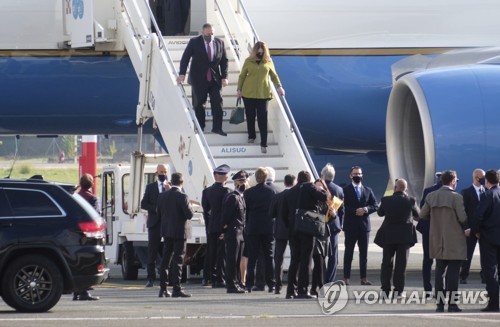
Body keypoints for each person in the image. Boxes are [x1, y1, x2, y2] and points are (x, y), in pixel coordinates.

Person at [420, 170, 467, 312]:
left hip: (437, 238)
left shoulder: (431, 195)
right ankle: (452, 304)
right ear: (452, 181)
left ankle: (439, 304)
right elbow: (463, 218)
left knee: (439, 272)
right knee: (453, 273)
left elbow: (422, 214)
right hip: (454, 239)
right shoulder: (456, 197)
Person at [177, 23, 228, 136]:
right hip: (198, 79)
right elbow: (185, 58)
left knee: (217, 103)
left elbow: (224, 61)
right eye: (208, 33)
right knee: (199, 104)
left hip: (215, 79)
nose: (211, 35)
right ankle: (200, 127)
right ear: (203, 32)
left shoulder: (220, 43)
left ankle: (217, 128)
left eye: (212, 33)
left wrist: (225, 76)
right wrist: (182, 74)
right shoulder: (194, 42)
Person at [282, 170, 327, 299]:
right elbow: (324, 198)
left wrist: (290, 226)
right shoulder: (310, 188)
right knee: (306, 260)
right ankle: (302, 290)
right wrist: (320, 188)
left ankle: (290, 290)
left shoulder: (290, 192)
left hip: (293, 229)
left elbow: (284, 214)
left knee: (294, 260)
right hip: (307, 228)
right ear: (308, 180)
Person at [237, 41, 285, 153]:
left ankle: (264, 143)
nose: (260, 53)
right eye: (258, 52)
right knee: (250, 116)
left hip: (263, 94)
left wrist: (279, 87)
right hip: (248, 94)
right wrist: (239, 89)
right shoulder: (248, 61)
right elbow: (242, 76)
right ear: (255, 51)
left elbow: (274, 75)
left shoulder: (268, 61)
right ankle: (251, 136)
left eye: (262, 52)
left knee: (262, 118)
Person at [375, 179, 419, 297]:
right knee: (401, 264)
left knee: (386, 263)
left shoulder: (386, 200)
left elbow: (380, 213)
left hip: (388, 236)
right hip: (404, 237)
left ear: (395, 188)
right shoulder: (411, 200)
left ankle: (385, 289)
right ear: (406, 189)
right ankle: (398, 290)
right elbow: (418, 215)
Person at [158, 172, 194, 298]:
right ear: (182, 182)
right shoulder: (183, 196)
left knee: (165, 259)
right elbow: (189, 214)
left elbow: (158, 213)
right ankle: (176, 288)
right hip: (180, 231)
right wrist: (191, 207)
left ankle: (163, 288)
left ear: (171, 182)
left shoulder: (162, 196)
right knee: (178, 260)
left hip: (166, 231)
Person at [342, 166, 378, 286]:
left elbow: (375, 205)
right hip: (350, 226)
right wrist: (355, 211)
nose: (357, 175)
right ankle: (346, 278)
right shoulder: (345, 190)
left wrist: (366, 209)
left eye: (359, 174)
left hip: (364, 227)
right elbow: (342, 207)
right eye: (355, 174)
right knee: (349, 253)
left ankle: (364, 278)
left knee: (364, 254)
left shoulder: (368, 190)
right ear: (350, 176)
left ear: (362, 175)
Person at [243, 167, 277, 292]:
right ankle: (271, 284)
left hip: (253, 227)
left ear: (256, 178)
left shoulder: (248, 193)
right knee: (269, 256)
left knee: (252, 257)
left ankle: (248, 284)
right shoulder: (271, 192)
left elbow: (246, 211)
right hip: (268, 227)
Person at [473, 169, 500, 312]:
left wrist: (476, 230)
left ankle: (494, 303)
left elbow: (478, 216)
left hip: (489, 237)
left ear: (487, 181)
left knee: (490, 271)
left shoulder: (487, 195)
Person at [201, 164, 231, 288]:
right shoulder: (227, 192)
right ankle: (219, 278)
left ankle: (207, 277)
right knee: (222, 253)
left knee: (210, 252)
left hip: (211, 225)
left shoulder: (207, 191)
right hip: (223, 226)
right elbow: (229, 211)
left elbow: (205, 210)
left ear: (214, 176)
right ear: (226, 177)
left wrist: (208, 226)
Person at [141, 164, 170, 288]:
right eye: (161, 172)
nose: (163, 174)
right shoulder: (150, 187)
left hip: (168, 223)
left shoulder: (171, 187)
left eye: (165, 172)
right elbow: (144, 204)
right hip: (154, 223)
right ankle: (150, 278)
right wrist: (156, 209)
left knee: (168, 251)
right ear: (156, 173)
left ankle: (167, 277)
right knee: (152, 251)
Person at [73, 173, 100, 301]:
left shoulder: (74, 197)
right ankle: (84, 291)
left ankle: (76, 291)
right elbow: (95, 215)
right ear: (92, 184)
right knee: (87, 262)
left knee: (76, 260)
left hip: (74, 233)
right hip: (88, 234)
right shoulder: (93, 199)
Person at [221, 170, 248, 293]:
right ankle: (231, 285)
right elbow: (226, 216)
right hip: (233, 232)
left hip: (241, 232)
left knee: (237, 260)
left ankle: (236, 282)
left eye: (245, 181)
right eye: (241, 181)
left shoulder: (240, 197)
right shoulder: (232, 197)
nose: (244, 183)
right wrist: (224, 230)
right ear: (235, 183)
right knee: (232, 260)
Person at [269, 174, 295, 294]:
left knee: (278, 258)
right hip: (294, 229)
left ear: (284, 182)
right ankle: (293, 283)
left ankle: (277, 285)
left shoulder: (278, 196)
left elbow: (271, 214)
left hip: (280, 229)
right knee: (295, 257)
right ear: (294, 183)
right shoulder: (296, 196)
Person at [417, 171, 442, 297]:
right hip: (442, 231)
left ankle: (427, 289)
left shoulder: (428, 191)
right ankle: (440, 289)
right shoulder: (452, 193)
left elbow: (422, 209)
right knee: (442, 260)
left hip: (428, 229)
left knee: (427, 260)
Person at [459, 168, 485, 284]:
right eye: (482, 177)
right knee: (467, 254)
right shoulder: (466, 192)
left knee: (485, 254)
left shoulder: (487, 192)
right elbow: (462, 212)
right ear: (475, 177)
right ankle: (463, 275)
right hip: (470, 229)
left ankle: (484, 276)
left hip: (484, 230)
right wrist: (466, 227)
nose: (484, 180)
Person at [321, 163, 344, 283]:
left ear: (323, 175)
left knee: (320, 254)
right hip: (334, 225)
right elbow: (342, 211)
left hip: (320, 225)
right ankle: (329, 280)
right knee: (333, 255)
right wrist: (340, 225)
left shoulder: (319, 188)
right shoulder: (339, 190)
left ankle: (321, 277)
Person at [310, 179, 334, 296]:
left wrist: (333, 215)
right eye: (317, 187)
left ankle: (314, 288)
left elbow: (328, 220)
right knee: (319, 262)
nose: (319, 189)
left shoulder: (327, 202)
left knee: (321, 261)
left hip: (325, 234)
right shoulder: (312, 201)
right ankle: (321, 287)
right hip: (315, 234)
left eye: (321, 188)